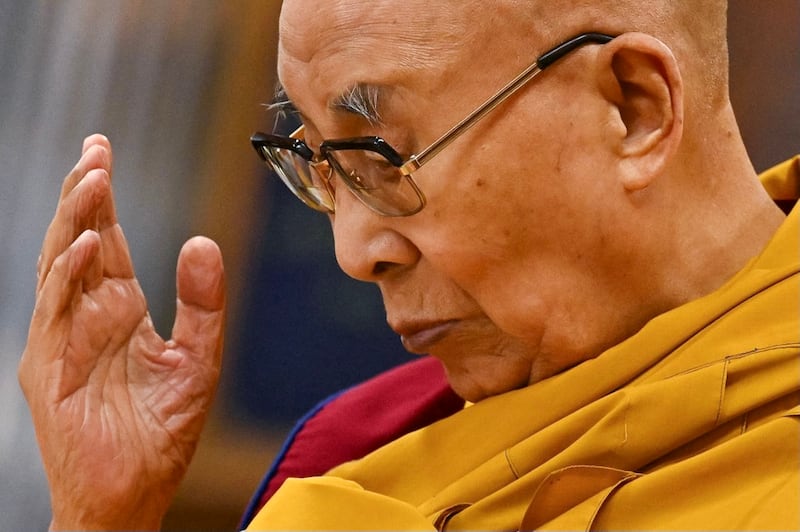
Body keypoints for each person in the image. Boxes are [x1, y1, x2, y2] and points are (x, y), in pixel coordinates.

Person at [19, 0, 799, 529]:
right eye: (320, 164)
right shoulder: (358, 444)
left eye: (384, 156)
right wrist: (105, 515)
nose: (354, 252)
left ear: (634, 109)